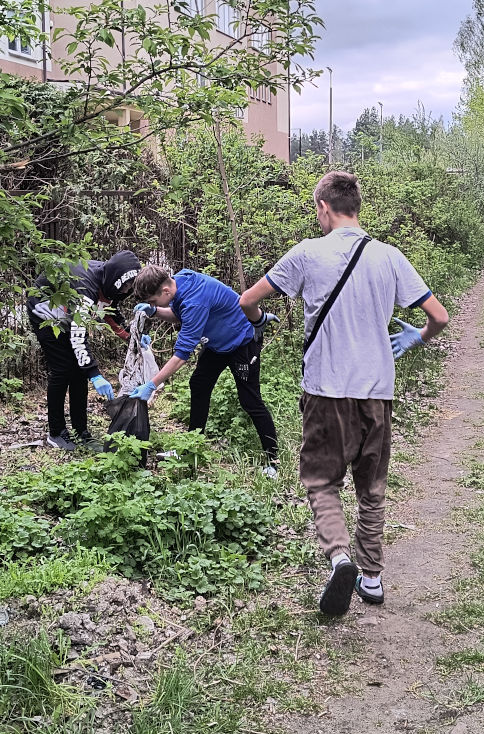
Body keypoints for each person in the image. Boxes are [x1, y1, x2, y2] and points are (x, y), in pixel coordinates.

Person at [239, 171, 449, 616]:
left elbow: (247, 300)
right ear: (356, 207)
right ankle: (371, 579)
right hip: (377, 391)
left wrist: (258, 320)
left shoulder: (307, 253)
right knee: (371, 487)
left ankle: (338, 556)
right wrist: (418, 337)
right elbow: (439, 316)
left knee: (321, 481)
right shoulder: (389, 256)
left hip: (325, 391)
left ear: (323, 208)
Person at [128, 266, 280, 473]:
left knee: (250, 401)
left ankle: (273, 461)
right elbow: (177, 314)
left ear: (165, 291)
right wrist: (155, 311)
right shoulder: (180, 281)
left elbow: (182, 355)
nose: (153, 304)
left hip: (242, 343)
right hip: (217, 346)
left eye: (153, 301)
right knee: (198, 385)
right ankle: (192, 448)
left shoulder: (194, 301)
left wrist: (152, 384)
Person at [27, 250, 141, 451]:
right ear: (117, 279)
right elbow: (78, 337)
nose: (125, 291)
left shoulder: (106, 279)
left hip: (67, 312)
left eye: (129, 287)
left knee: (79, 373)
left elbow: (109, 310)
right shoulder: (86, 287)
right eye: (125, 286)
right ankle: (56, 432)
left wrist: (130, 336)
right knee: (62, 370)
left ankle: (81, 431)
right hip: (46, 311)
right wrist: (95, 374)